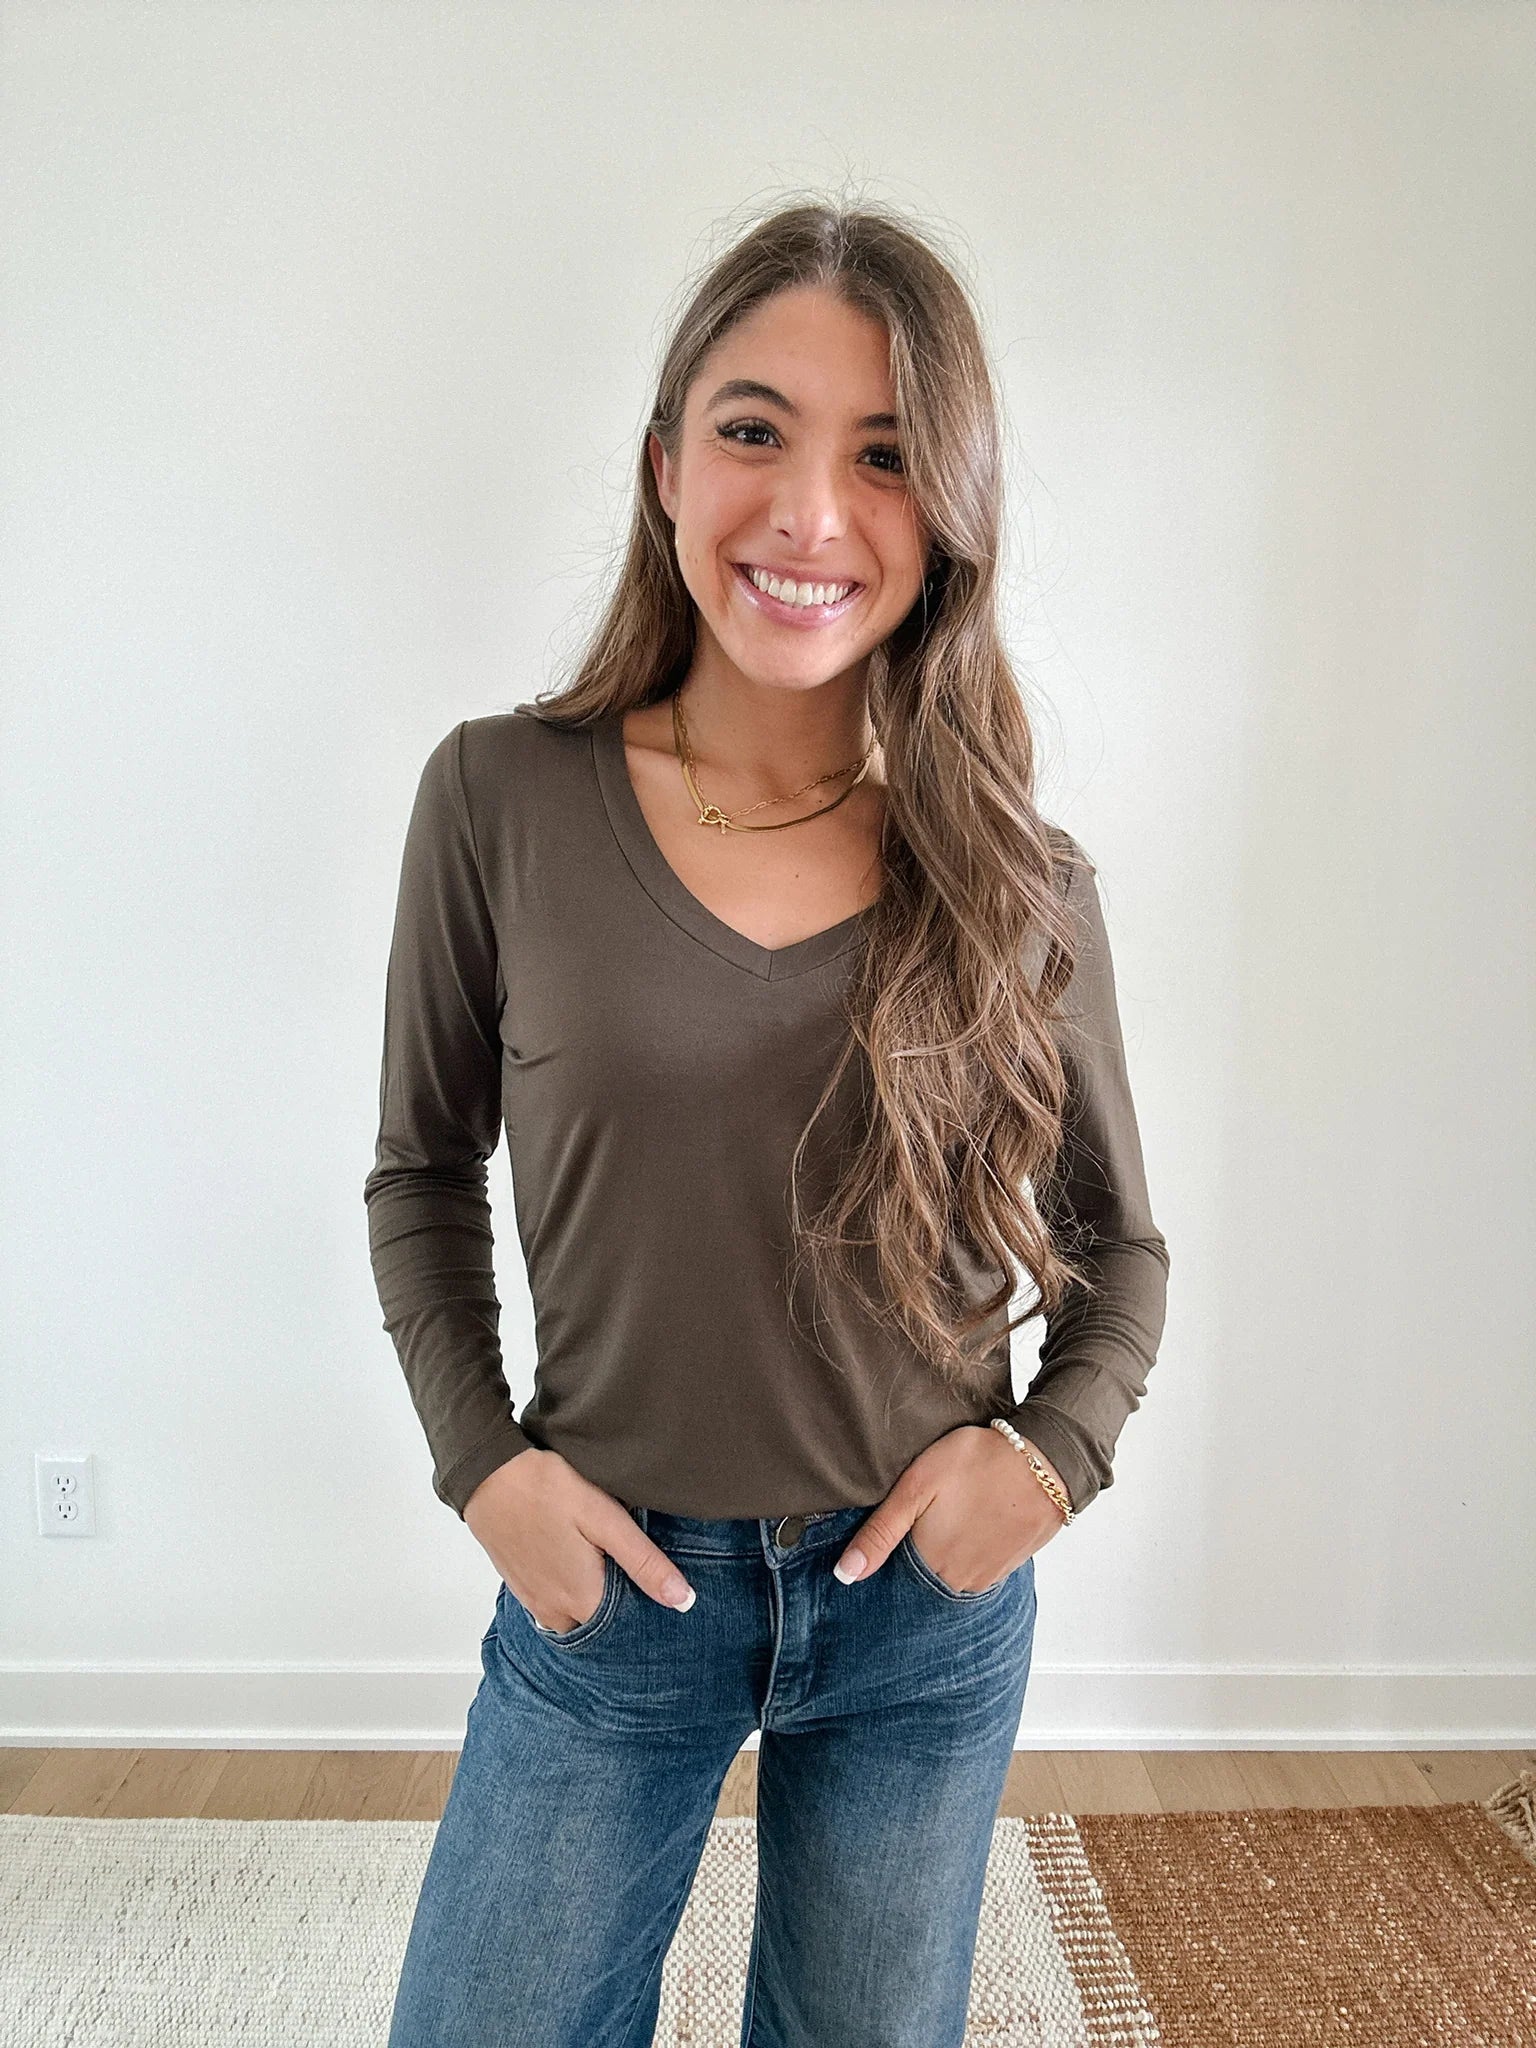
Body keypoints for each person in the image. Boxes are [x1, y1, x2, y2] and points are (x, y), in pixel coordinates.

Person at [364, 197, 1169, 2048]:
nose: (810, 513)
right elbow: (420, 1169)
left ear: (949, 516)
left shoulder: (1018, 876)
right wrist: (482, 1466)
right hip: (611, 1594)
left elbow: (1119, 1244)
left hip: (918, 1609)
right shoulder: (499, 799)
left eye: (884, 456)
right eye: (754, 430)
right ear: (665, 466)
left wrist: (1051, 1462)